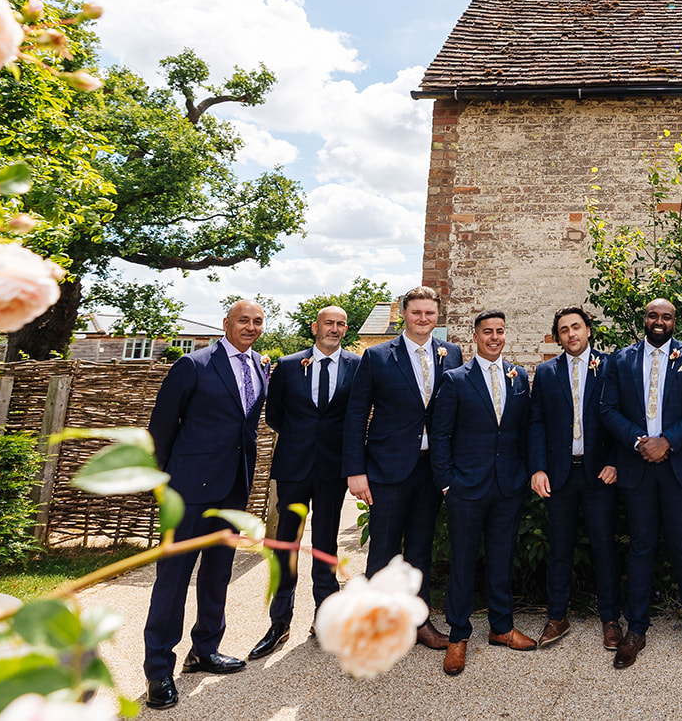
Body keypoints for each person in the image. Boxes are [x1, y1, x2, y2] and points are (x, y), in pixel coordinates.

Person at [142, 300, 269, 710]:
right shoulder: (193, 365)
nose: (250, 327)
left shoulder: (259, 367)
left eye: (257, 321)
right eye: (243, 320)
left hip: (233, 488)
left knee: (217, 574)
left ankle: (204, 651)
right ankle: (158, 669)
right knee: (173, 578)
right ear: (226, 323)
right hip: (188, 489)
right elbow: (161, 426)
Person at [343, 286, 461, 652]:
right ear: (403, 314)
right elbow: (356, 414)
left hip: (432, 470)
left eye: (429, 313)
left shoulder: (452, 353)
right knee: (383, 550)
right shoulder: (377, 356)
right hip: (386, 469)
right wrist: (355, 470)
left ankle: (419, 621)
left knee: (421, 551)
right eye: (416, 313)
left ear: (436, 316)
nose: (423, 319)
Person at [598, 297, 682, 671]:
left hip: (679, 466)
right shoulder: (621, 359)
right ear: (644, 320)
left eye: (666, 316)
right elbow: (607, 409)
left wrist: (668, 441)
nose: (659, 321)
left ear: (674, 321)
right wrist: (639, 442)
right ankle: (636, 630)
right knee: (641, 547)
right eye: (653, 315)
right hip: (636, 468)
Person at [249, 306, 361, 661]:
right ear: (315, 327)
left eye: (341, 324)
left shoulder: (357, 367)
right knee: (286, 545)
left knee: (326, 545)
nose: (335, 328)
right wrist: (302, 442)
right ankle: (279, 623)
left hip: (332, 471)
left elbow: (357, 415)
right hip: (294, 468)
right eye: (329, 323)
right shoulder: (287, 365)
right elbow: (275, 415)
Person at [431, 309, 536, 676]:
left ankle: (501, 627)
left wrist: (522, 473)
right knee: (461, 562)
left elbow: (524, 429)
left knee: (502, 558)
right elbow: (440, 434)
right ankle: (459, 635)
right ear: (474, 337)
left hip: (508, 484)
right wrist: (446, 481)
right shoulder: (455, 379)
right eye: (487, 332)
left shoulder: (519, 376)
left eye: (500, 332)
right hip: (465, 487)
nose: (494, 337)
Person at [527, 306, 622, 650]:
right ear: (558, 336)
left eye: (576, 327)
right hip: (560, 473)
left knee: (604, 546)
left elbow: (623, 417)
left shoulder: (610, 367)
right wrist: (537, 468)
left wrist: (615, 462)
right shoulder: (547, 372)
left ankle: (611, 619)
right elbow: (536, 422)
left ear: (588, 331)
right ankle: (556, 616)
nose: (571, 334)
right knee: (560, 548)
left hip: (600, 473)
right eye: (564, 330)